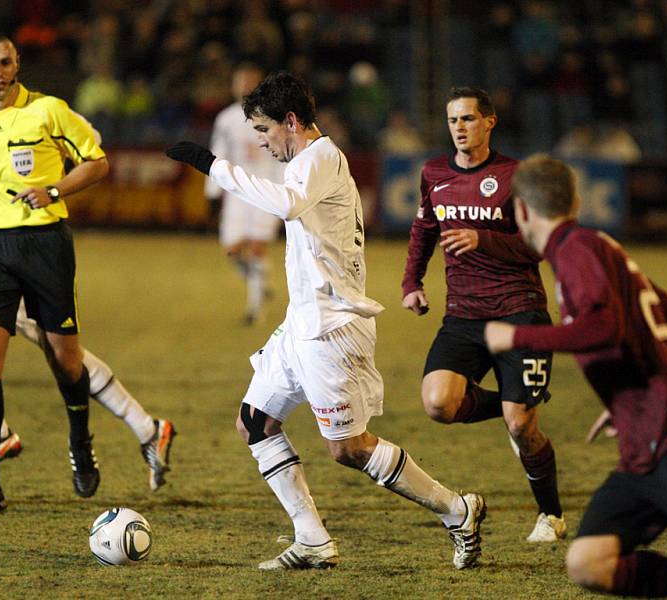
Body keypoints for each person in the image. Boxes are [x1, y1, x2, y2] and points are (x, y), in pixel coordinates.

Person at [166, 71, 486, 571]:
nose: (264, 143)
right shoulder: (306, 163)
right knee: (255, 422)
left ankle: (457, 509)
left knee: (350, 450)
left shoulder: (321, 158)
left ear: (290, 121)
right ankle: (312, 538)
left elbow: (286, 204)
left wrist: (214, 167)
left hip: (334, 327)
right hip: (302, 324)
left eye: (265, 131)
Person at [0, 31, 175, 494]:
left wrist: (52, 187)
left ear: (15, 65)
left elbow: (92, 155)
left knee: (63, 357)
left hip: (42, 246)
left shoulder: (45, 109)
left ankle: (113, 434)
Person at [485, 153, 667, 597]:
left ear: (524, 211)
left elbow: (604, 325)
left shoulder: (574, 250)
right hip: (642, 449)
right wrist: (630, 390)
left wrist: (518, 337)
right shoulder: (596, 245)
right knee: (589, 562)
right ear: (575, 200)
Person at [401, 86, 565, 542]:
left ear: (489, 122)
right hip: (464, 315)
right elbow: (423, 231)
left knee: (522, 429)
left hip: (520, 314)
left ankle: (551, 515)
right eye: (453, 120)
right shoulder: (434, 173)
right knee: (439, 404)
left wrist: (483, 238)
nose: (459, 128)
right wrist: (411, 283)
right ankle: (520, 404)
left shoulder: (516, 176)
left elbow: (538, 245)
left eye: (468, 119)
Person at [204, 62, 283, 325]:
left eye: (251, 80)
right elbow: (219, 153)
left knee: (258, 247)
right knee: (233, 250)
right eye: (241, 80)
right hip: (237, 191)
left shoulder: (273, 115)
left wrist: (286, 192)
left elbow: (284, 155)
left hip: (266, 189)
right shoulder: (226, 119)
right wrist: (213, 190)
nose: (246, 85)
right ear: (233, 85)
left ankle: (255, 310)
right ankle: (259, 281)